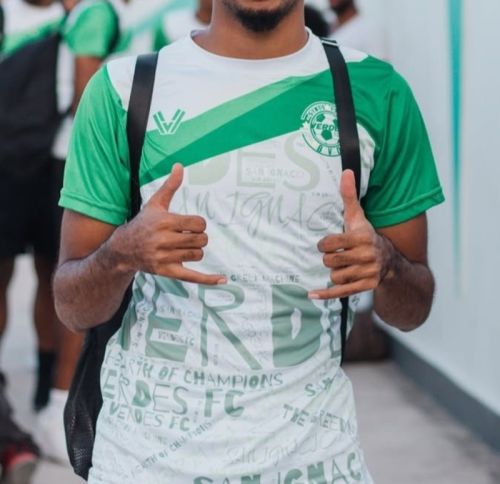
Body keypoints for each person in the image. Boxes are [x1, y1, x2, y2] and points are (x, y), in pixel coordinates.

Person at [53, 0, 444, 479]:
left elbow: (413, 309)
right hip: (144, 464)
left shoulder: (377, 92)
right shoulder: (123, 90)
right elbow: (72, 306)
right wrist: (121, 255)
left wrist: (386, 265)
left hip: (315, 464)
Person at [34, 0, 121, 464]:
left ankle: (50, 397)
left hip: (57, 159)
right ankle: (58, 405)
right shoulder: (96, 12)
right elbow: (87, 96)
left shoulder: (90, 12)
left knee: (56, 275)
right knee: (76, 278)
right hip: (76, 165)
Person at [0, 0, 64, 413]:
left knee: (54, 275)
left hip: (52, 166)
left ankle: (47, 386)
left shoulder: (80, 15)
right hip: (4, 166)